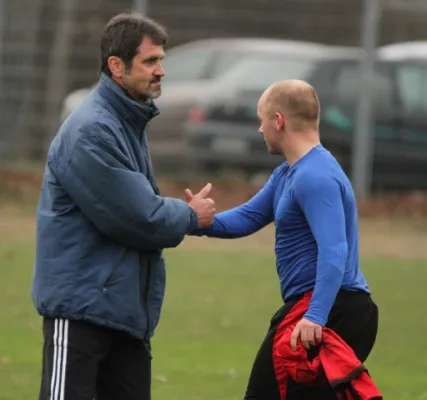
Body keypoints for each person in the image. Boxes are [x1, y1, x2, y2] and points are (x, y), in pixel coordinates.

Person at [31, 12, 215, 400]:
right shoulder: (92, 129)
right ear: (116, 65)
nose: (161, 70)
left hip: (121, 313)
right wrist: (189, 215)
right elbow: (137, 216)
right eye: (150, 61)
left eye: (161, 60)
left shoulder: (126, 119)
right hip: (82, 312)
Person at [186, 80, 379, 399]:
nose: (260, 130)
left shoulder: (315, 177)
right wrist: (190, 219)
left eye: (261, 120)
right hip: (326, 307)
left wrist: (315, 315)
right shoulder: (289, 173)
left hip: (329, 309)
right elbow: (247, 218)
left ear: (279, 120)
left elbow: (335, 250)